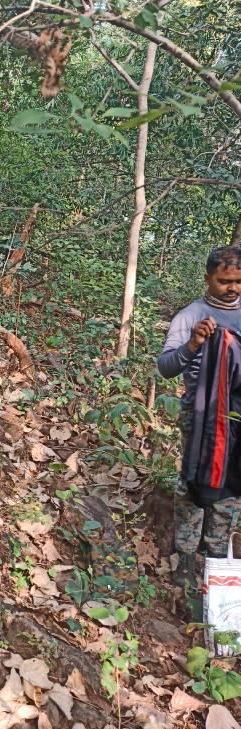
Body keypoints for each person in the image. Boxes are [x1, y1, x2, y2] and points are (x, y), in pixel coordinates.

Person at [157, 245, 241, 588]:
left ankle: (217, 554)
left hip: (237, 416)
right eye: (224, 281)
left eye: (238, 281)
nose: (232, 288)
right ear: (208, 279)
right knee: (193, 479)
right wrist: (193, 344)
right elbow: (165, 367)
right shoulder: (190, 316)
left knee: (231, 481)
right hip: (199, 413)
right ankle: (186, 556)